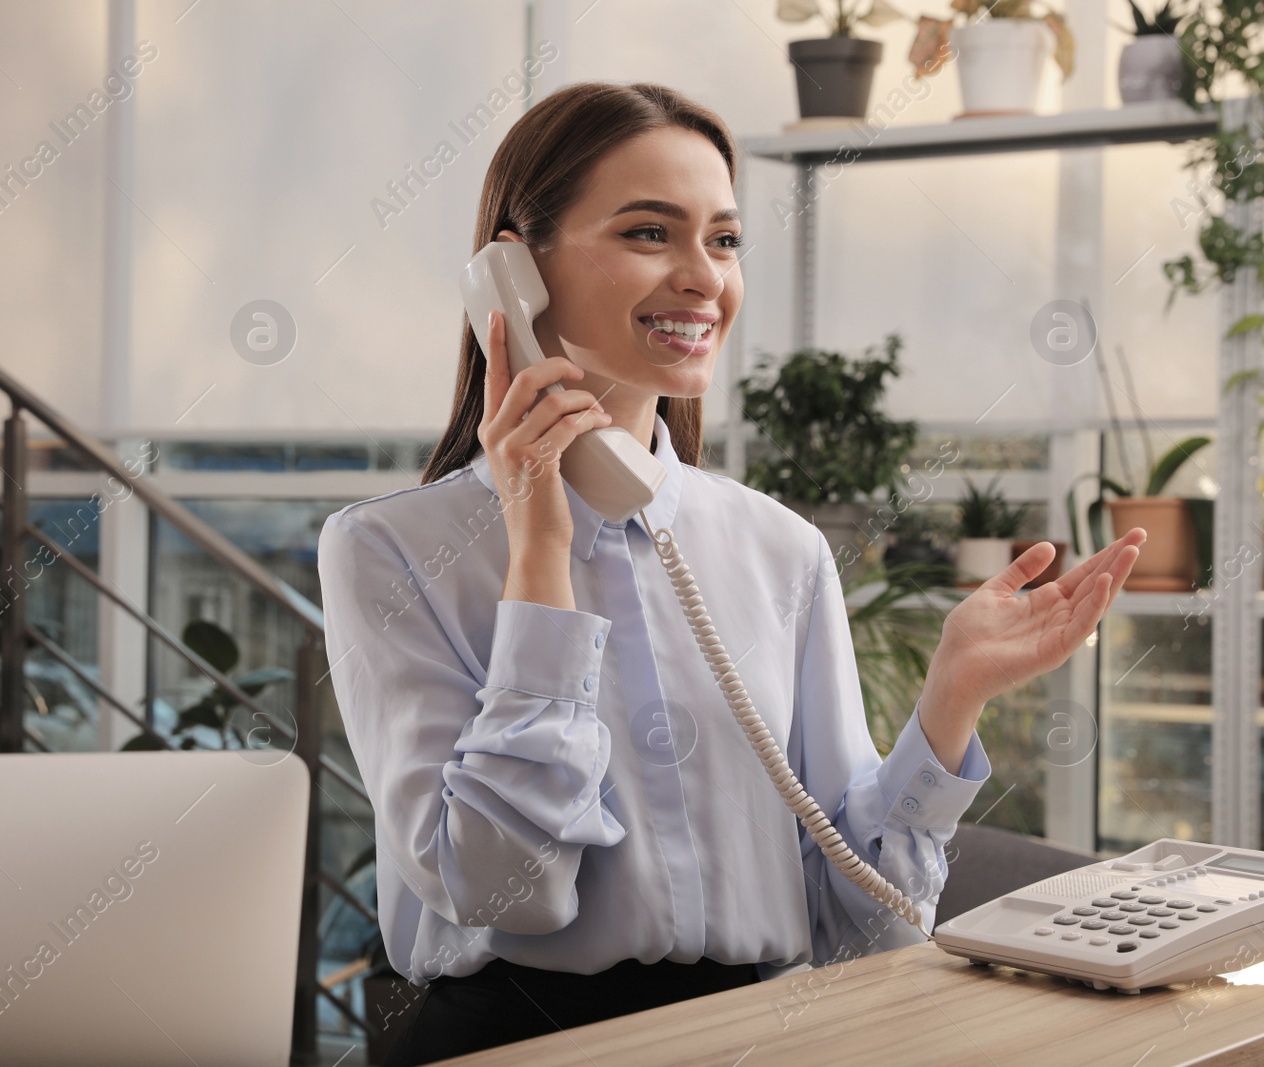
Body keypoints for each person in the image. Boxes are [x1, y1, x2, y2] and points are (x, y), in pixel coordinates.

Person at [316, 80, 1145, 1065]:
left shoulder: (777, 548)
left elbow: (863, 927)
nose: (701, 277)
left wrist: (950, 699)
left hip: (752, 1034)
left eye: (723, 239)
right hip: (511, 1040)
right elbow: (506, 887)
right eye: (648, 233)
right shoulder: (389, 550)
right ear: (512, 268)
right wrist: (539, 553)